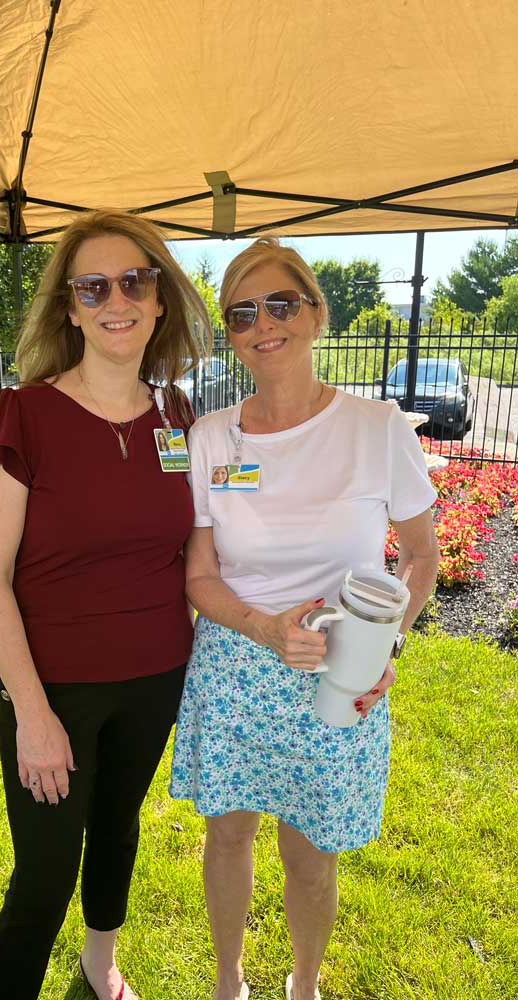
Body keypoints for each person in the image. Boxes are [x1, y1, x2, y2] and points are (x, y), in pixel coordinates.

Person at [169, 238, 440, 1000]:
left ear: (316, 314)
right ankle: (228, 981)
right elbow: (200, 574)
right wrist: (260, 627)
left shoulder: (376, 426)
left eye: (280, 304)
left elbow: (420, 556)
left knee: (311, 851)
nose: (264, 325)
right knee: (227, 834)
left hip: (338, 673)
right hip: (234, 662)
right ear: (230, 332)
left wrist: (383, 647)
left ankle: (305, 985)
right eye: (242, 313)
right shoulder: (211, 436)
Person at [0, 209, 211, 1000]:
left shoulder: (178, 417)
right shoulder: (23, 415)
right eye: (94, 286)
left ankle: (100, 962)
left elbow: (206, 542)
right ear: (69, 307)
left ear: (161, 298)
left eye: (135, 281)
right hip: (55, 687)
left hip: (157, 675)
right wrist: (32, 716)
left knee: (117, 828)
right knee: (43, 872)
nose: (118, 299)